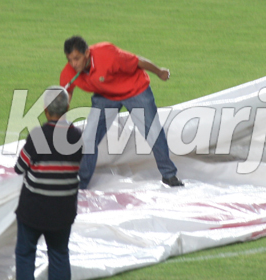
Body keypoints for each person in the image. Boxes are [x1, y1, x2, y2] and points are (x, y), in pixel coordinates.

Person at [60, 35, 183, 189]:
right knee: (89, 137)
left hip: (135, 90)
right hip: (106, 97)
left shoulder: (107, 54)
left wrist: (159, 72)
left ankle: (169, 175)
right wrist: (61, 113)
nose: (74, 63)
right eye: (69, 59)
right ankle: (82, 182)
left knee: (153, 132)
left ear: (86, 53)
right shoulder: (69, 72)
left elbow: (138, 61)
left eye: (77, 58)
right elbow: (67, 91)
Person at [8, 87, 82, 280]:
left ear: (44, 109)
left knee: (25, 253)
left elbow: (19, 168)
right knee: (59, 253)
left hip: (34, 207)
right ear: (67, 108)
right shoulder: (76, 135)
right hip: (64, 207)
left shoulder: (37, 135)